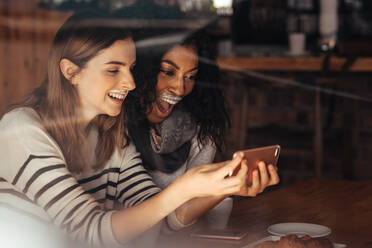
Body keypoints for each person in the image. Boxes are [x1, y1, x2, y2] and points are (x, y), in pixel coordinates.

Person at [0, 11, 263, 248]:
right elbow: (89, 231)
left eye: (131, 68)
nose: (130, 82)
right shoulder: (21, 131)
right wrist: (184, 188)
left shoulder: (113, 137)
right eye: (113, 69)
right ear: (71, 72)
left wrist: (220, 187)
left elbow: (160, 219)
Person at [126, 29, 280, 225]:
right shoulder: (114, 129)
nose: (180, 89)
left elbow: (178, 219)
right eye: (168, 72)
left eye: (190, 77)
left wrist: (224, 189)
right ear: (140, 70)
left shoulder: (200, 129)